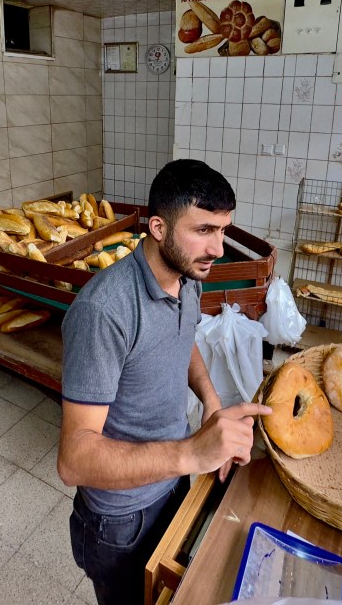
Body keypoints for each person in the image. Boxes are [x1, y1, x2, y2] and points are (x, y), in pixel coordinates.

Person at [58, 159, 272, 605]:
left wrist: (212, 405)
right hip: (121, 518)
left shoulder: (187, 277)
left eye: (223, 230)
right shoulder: (105, 311)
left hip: (173, 481)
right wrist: (193, 451)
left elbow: (183, 342)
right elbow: (74, 460)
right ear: (158, 227)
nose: (218, 248)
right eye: (204, 230)